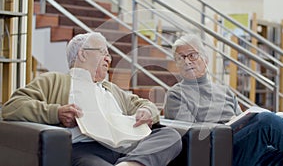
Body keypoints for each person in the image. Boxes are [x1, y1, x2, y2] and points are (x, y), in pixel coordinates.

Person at [2, 32, 182, 166]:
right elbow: (12, 107)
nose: (108, 59)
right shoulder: (54, 80)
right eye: (103, 52)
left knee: (171, 135)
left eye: (109, 54)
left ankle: (130, 164)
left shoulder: (111, 88)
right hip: (86, 149)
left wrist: (147, 111)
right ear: (82, 54)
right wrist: (55, 113)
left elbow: (143, 103)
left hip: (127, 148)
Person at [164, 34, 283, 166]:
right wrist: (225, 127)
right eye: (181, 58)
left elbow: (241, 120)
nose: (187, 61)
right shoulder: (175, 95)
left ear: (205, 59)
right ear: (177, 64)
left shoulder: (224, 91)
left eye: (192, 55)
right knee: (266, 121)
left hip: (244, 148)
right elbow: (191, 135)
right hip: (217, 150)